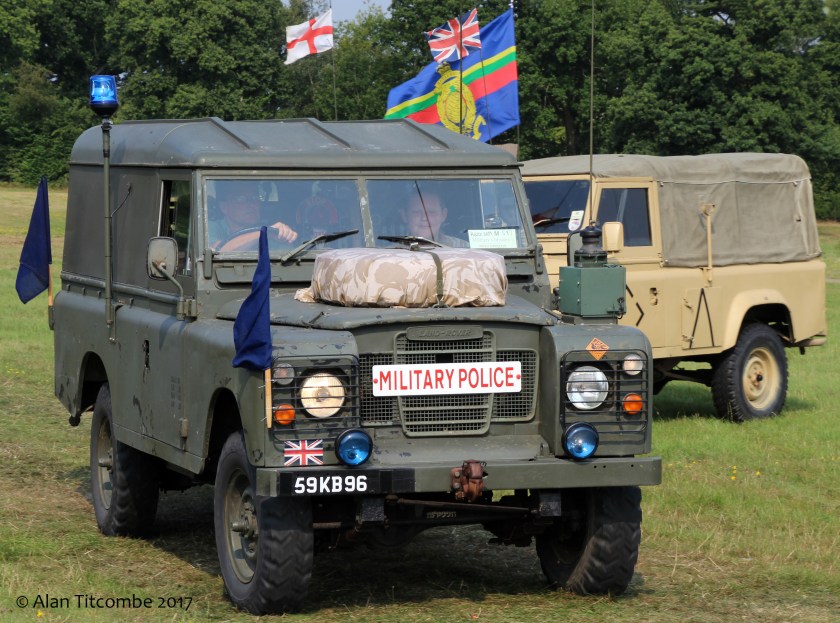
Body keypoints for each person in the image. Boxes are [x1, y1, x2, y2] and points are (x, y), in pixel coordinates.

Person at [209, 182, 298, 251]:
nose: (251, 204)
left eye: (255, 197)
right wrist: (264, 233)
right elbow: (217, 251)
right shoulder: (211, 227)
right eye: (241, 199)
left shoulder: (272, 235)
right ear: (224, 207)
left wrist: (281, 234)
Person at [400, 194, 468, 247]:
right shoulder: (394, 251)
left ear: (443, 215)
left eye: (431, 212)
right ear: (404, 216)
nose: (424, 218)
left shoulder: (463, 249)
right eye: (416, 212)